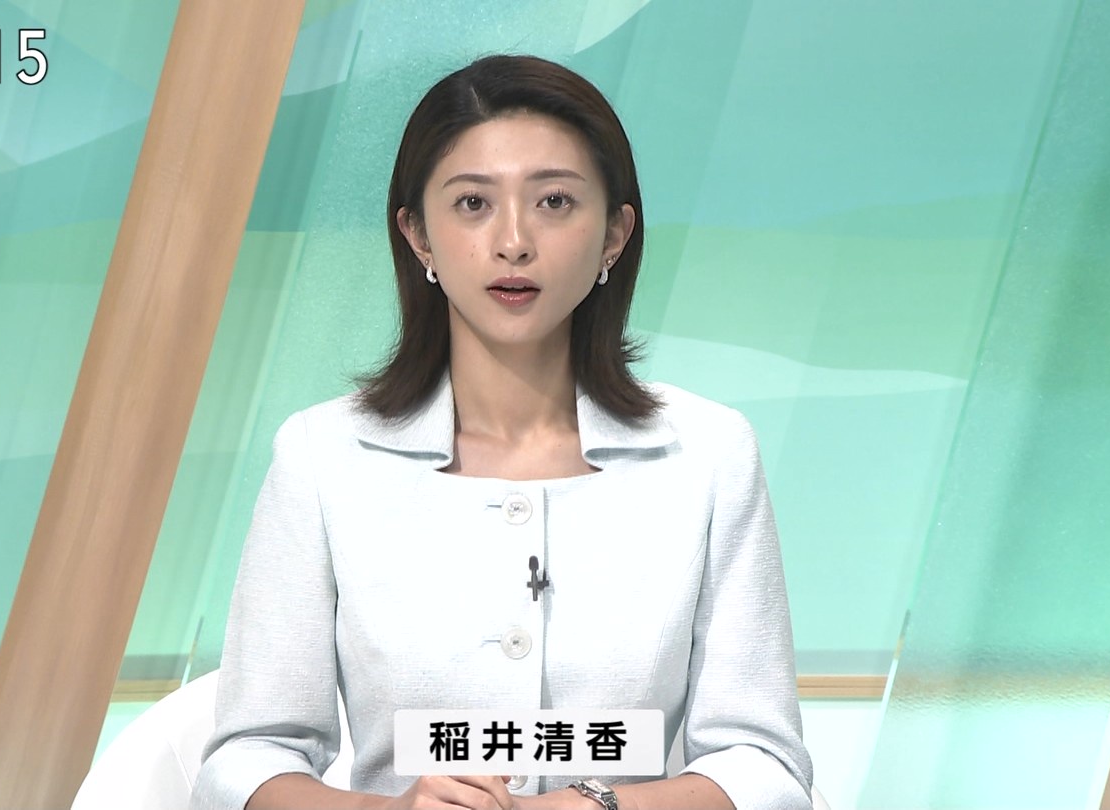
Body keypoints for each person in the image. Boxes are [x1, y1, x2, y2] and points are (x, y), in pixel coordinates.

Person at [191, 54, 813, 810]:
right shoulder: (323, 457)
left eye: (554, 201)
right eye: (472, 204)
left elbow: (765, 767)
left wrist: (591, 806)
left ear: (614, 235)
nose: (513, 241)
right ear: (418, 235)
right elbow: (244, 762)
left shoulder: (708, 454)